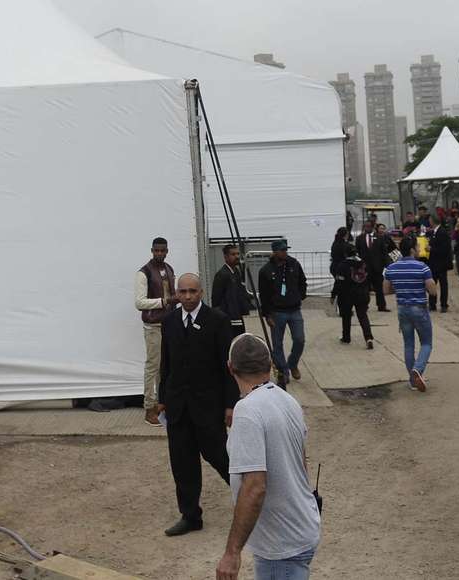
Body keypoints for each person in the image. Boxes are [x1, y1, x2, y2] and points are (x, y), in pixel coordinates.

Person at [216, 334, 321, 580]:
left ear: (231, 368)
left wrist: (232, 553)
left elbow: (254, 487)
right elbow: (301, 462)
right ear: (270, 364)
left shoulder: (247, 411)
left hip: (280, 544)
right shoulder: (288, 400)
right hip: (303, 526)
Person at [158, 273, 239, 537]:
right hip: (178, 408)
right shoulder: (169, 321)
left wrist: (230, 404)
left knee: (222, 458)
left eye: (193, 291)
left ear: (201, 293)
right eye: (183, 292)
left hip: (208, 408)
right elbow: (166, 363)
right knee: (182, 464)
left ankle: (254, 502)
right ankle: (190, 515)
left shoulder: (217, 320)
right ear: (177, 294)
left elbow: (227, 367)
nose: (188, 296)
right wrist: (162, 400)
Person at [383, 236, 437, 392]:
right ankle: (417, 370)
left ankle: (413, 382)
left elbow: (386, 290)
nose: (420, 249)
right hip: (419, 308)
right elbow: (432, 291)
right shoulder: (422, 267)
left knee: (408, 344)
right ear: (412, 249)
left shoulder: (391, 268)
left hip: (402, 309)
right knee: (426, 343)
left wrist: (400, 288)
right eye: (418, 247)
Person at [135, 237, 177, 426]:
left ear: (167, 251)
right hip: (153, 326)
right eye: (156, 250)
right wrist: (164, 302)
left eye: (163, 250)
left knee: (166, 367)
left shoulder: (169, 269)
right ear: (151, 250)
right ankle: (149, 408)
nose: (159, 253)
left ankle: (163, 406)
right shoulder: (143, 273)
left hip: (168, 324)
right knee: (153, 367)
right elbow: (139, 302)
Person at [258, 240, 307, 387]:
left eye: (286, 250)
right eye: (282, 250)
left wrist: (300, 296)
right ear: (274, 252)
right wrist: (267, 314)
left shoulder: (294, 264)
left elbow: (302, 281)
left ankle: (292, 363)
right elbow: (264, 295)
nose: (285, 252)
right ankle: (283, 371)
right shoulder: (266, 270)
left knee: (299, 339)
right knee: (277, 344)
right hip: (277, 312)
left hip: (294, 309)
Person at [331, 245, 374, 349]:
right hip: (362, 294)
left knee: (346, 316)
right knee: (363, 316)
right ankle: (368, 338)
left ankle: (346, 337)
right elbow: (368, 278)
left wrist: (333, 294)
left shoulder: (342, 265)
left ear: (345, 254)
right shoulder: (363, 263)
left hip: (347, 295)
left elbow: (338, 282)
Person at [212, 244, 252, 338]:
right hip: (228, 318)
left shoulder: (236, 272)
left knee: (240, 342)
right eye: (233, 254)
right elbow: (216, 299)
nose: (237, 256)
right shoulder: (222, 274)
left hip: (238, 316)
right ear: (226, 257)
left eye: (238, 254)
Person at [356, 220, 391, 312]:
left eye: (369, 226)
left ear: (372, 227)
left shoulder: (379, 238)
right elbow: (358, 252)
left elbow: (384, 252)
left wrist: (387, 265)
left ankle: (381, 305)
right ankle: (364, 305)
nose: (367, 228)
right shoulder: (360, 238)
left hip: (377, 267)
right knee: (364, 288)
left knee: (379, 288)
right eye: (365, 226)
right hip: (365, 268)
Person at [426, 215, 453, 313]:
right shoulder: (434, 232)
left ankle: (444, 304)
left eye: (430, 220)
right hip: (434, 263)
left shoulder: (442, 232)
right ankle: (432, 304)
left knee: (443, 285)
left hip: (441, 263)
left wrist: (431, 249)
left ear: (433, 221)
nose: (429, 222)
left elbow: (444, 249)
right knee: (432, 283)